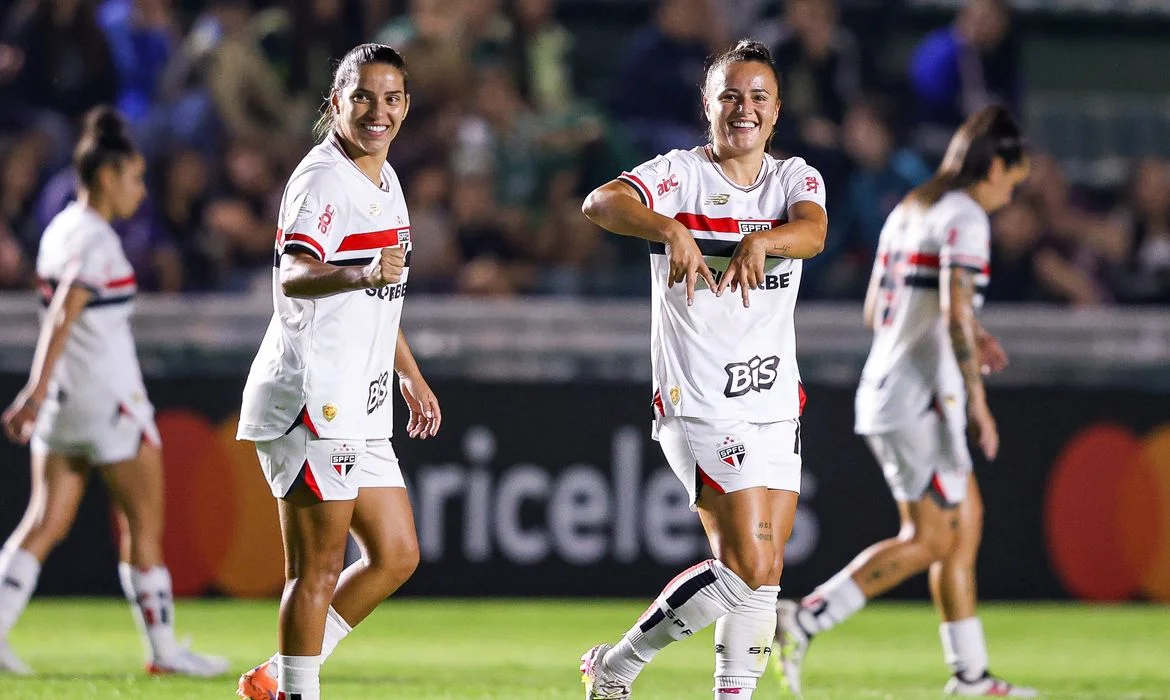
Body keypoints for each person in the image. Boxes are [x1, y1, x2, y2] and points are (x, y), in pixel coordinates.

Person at [580, 40, 828, 700]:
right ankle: (618, 666)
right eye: (730, 96)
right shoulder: (679, 176)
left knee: (765, 569)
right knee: (745, 565)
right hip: (698, 400)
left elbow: (812, 232)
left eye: (757, 98)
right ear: (708, 105)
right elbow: (599, 203)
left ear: (776, 113)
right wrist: (667, 229)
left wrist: (763, 240)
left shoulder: (793, 178)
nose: (743, 109)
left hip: (774, 400)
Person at [775, 105, 1036, 698]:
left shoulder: (910, 209)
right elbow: (952, 310)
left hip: (893, 385)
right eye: (1012, 182)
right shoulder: (965, 217)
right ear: (994, 166)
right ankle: (809, 615)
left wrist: (963, 333)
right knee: (934, 537)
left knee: (962, 528)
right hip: (921, 397)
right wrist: (977, 400)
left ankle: (969, 675)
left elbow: (879, 310)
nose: (1009, 196)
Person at [234, 43, 440, 700]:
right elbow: (295, 274)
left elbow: (381, 297)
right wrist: (360, 270)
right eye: (362, 97)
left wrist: (408, 371)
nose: (377, 111)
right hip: (311, 398)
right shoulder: (323, 178)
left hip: (362, 400)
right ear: (334, 104)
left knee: (397, 554)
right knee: (316, 570)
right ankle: (297, 691)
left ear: (406, 105)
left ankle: (276, 674)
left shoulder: (385, 177)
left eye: (391, 98)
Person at [0, 106, 228, 677]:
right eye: (134, 178)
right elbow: (66, 310)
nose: (140, 191)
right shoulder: (95, 240)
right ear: (107, 177)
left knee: (45, 520)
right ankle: (165, 652)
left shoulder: (57, 227)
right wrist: (32, 386)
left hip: (65, 404)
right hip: (110, 401)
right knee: (144, 526)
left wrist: (42, 392)